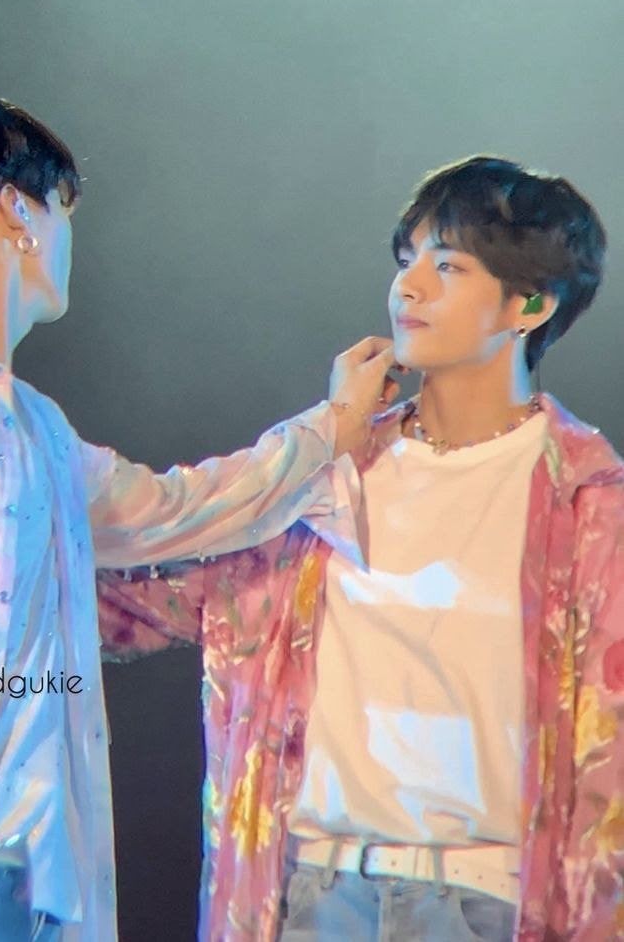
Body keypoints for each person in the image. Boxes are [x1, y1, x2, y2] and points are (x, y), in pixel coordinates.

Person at [0, 89, 398, 941]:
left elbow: (169, 511)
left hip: (28, 868)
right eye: (62, 208)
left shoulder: (33, 425)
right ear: (16, 210)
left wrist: (331, 430)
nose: (68, 238)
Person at [98, 155, 624, 942]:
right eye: (405, 260)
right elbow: (140, 593)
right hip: (310, 892)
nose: (408, 287)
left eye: (447, 266)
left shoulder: (587, 503)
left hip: (485, 902)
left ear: (530, 303)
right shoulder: (328, 471)